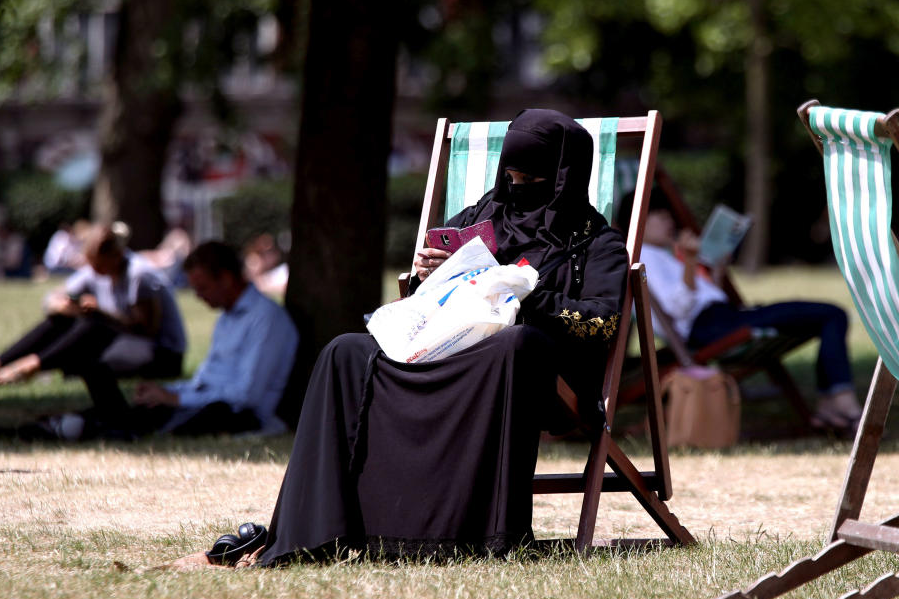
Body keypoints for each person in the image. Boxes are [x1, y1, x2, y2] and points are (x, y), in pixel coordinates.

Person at [171, 109, 629, 568]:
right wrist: (432, 275)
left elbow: (602, 323)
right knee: (345, 352)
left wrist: (524, 295)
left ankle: (478, 536)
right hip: (442, 345)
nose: (516, 186)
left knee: (517, 343)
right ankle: (317, 532)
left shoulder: (596, 245)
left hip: (520, 366)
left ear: (563, 178)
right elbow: (426, 297)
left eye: (531, 177)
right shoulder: (479, 220)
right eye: (510, 175)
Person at [0, 241, 298, 442]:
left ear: (228, 278)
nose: (200, 297)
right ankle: (48, 425)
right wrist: (170, 393)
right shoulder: (227, 318)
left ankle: (49, 428)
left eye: (204, 287)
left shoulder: (265, 320)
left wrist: (174, 396)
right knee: (122, 402)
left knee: (130, 421)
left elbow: (245, 397)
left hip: (232, 415)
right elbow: (205, 379)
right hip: (198, 403)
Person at [619, 188, 862, 437]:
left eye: (668, 215)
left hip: (721, 319)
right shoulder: (642, 256)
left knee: (827, 316)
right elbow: (679, 309)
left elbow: (701, 298)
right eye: (660, 216)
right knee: (832, 314)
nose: (669, 221)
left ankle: (833, 403)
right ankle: (839, 402)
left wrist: (716, 271)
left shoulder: (663, 255)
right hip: (711, 327)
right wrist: (691, 263)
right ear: (637, 220)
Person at [0, 224, 186, 411]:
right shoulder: (96, 270)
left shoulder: (139, 275)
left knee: (95, 328)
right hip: (120, 344)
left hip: (161, 353)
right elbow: (52, 299)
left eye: (99, 265)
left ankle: (35, 365)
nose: (95, 272)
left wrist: (101, 313)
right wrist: (66, 307)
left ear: (115, 256)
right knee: (64, 322)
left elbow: (147, 329)